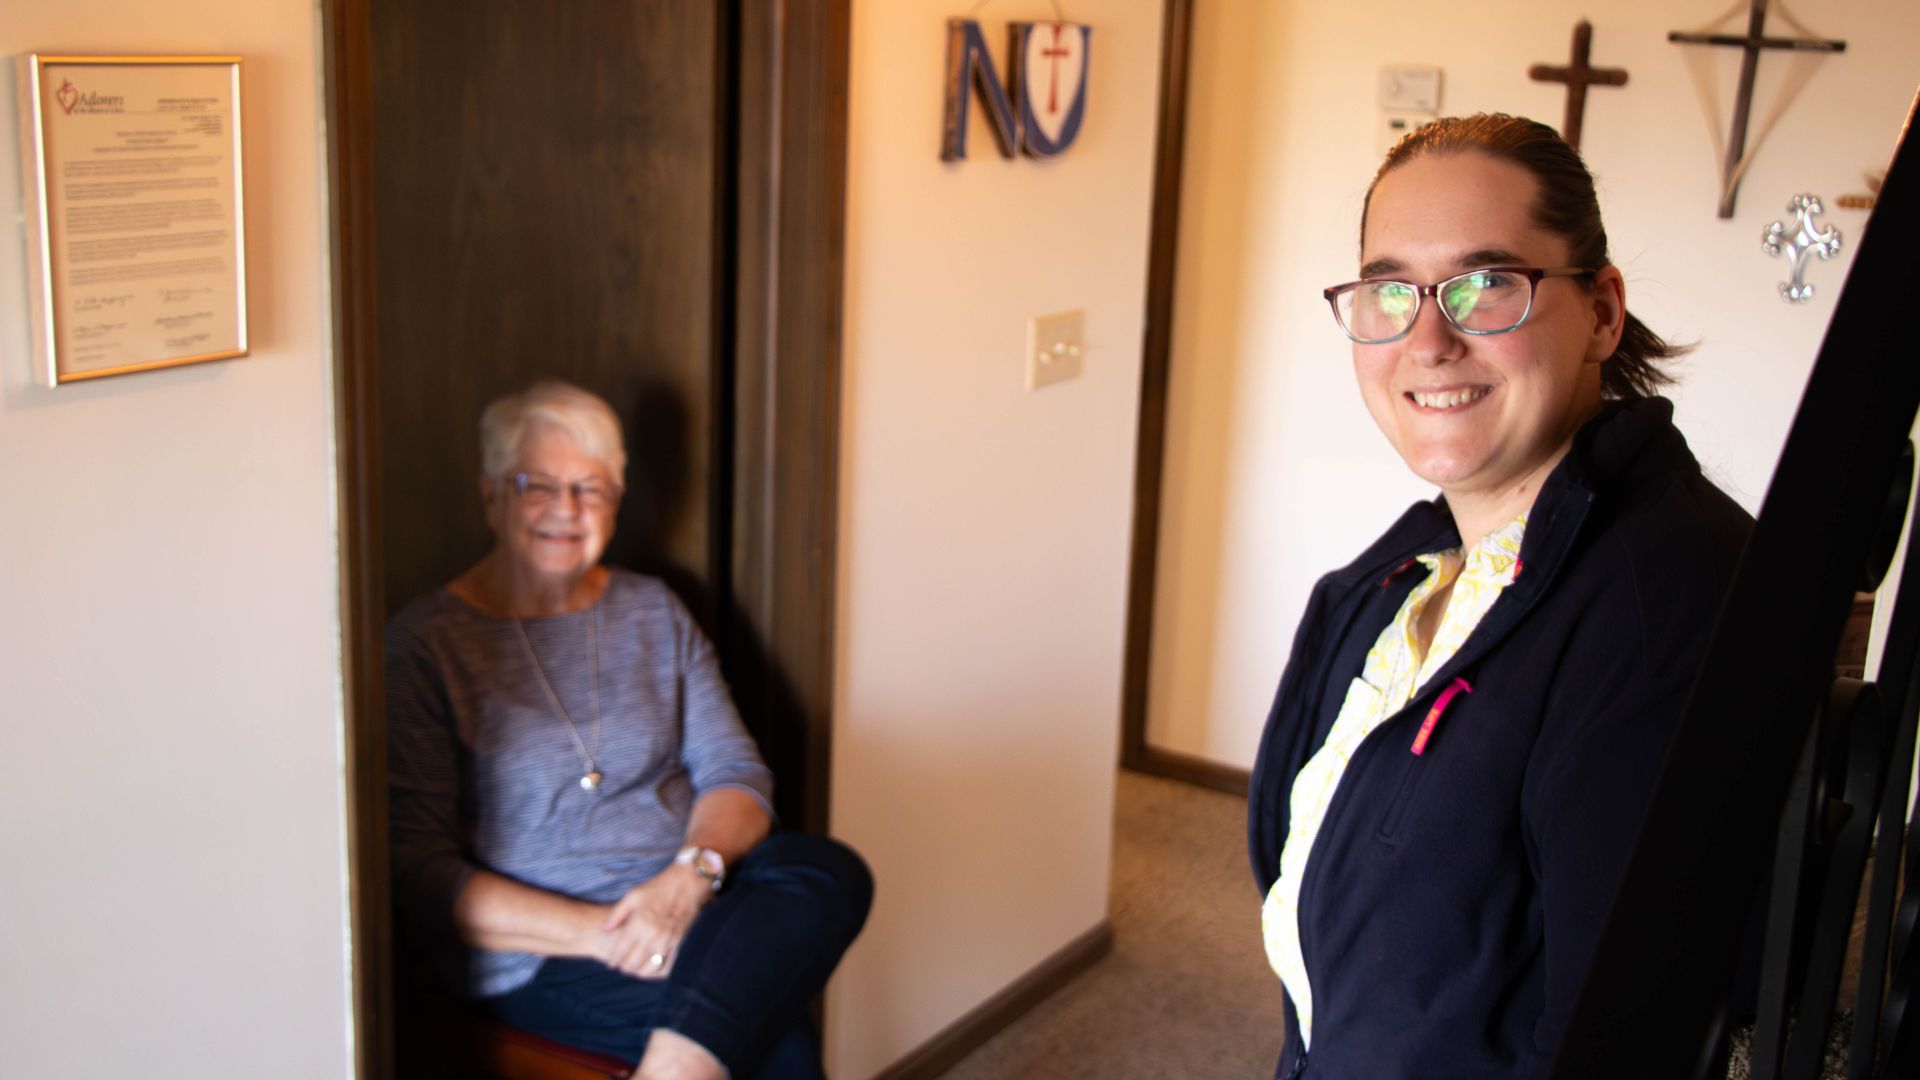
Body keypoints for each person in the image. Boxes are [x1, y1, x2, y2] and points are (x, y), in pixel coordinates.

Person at [1247, 114, 1753, 1078]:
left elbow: (1617, 1042)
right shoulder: (1409, 574)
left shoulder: (1662, 604)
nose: (1428, 341)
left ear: (1602, 312)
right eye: (1391, 291)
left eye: (1485, 286)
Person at [388, 380, 871, 1080]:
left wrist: (687, 882)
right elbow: (420, 871)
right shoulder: (424, 645)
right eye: (537, 485)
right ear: (490, 496)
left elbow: (736, 773)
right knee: (774, 1037)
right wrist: (613, 935)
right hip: (543, 953)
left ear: (617, 500)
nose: (567, 509)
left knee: (826, 869)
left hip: (688, 899)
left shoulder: (652, 609)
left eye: (592, 488)